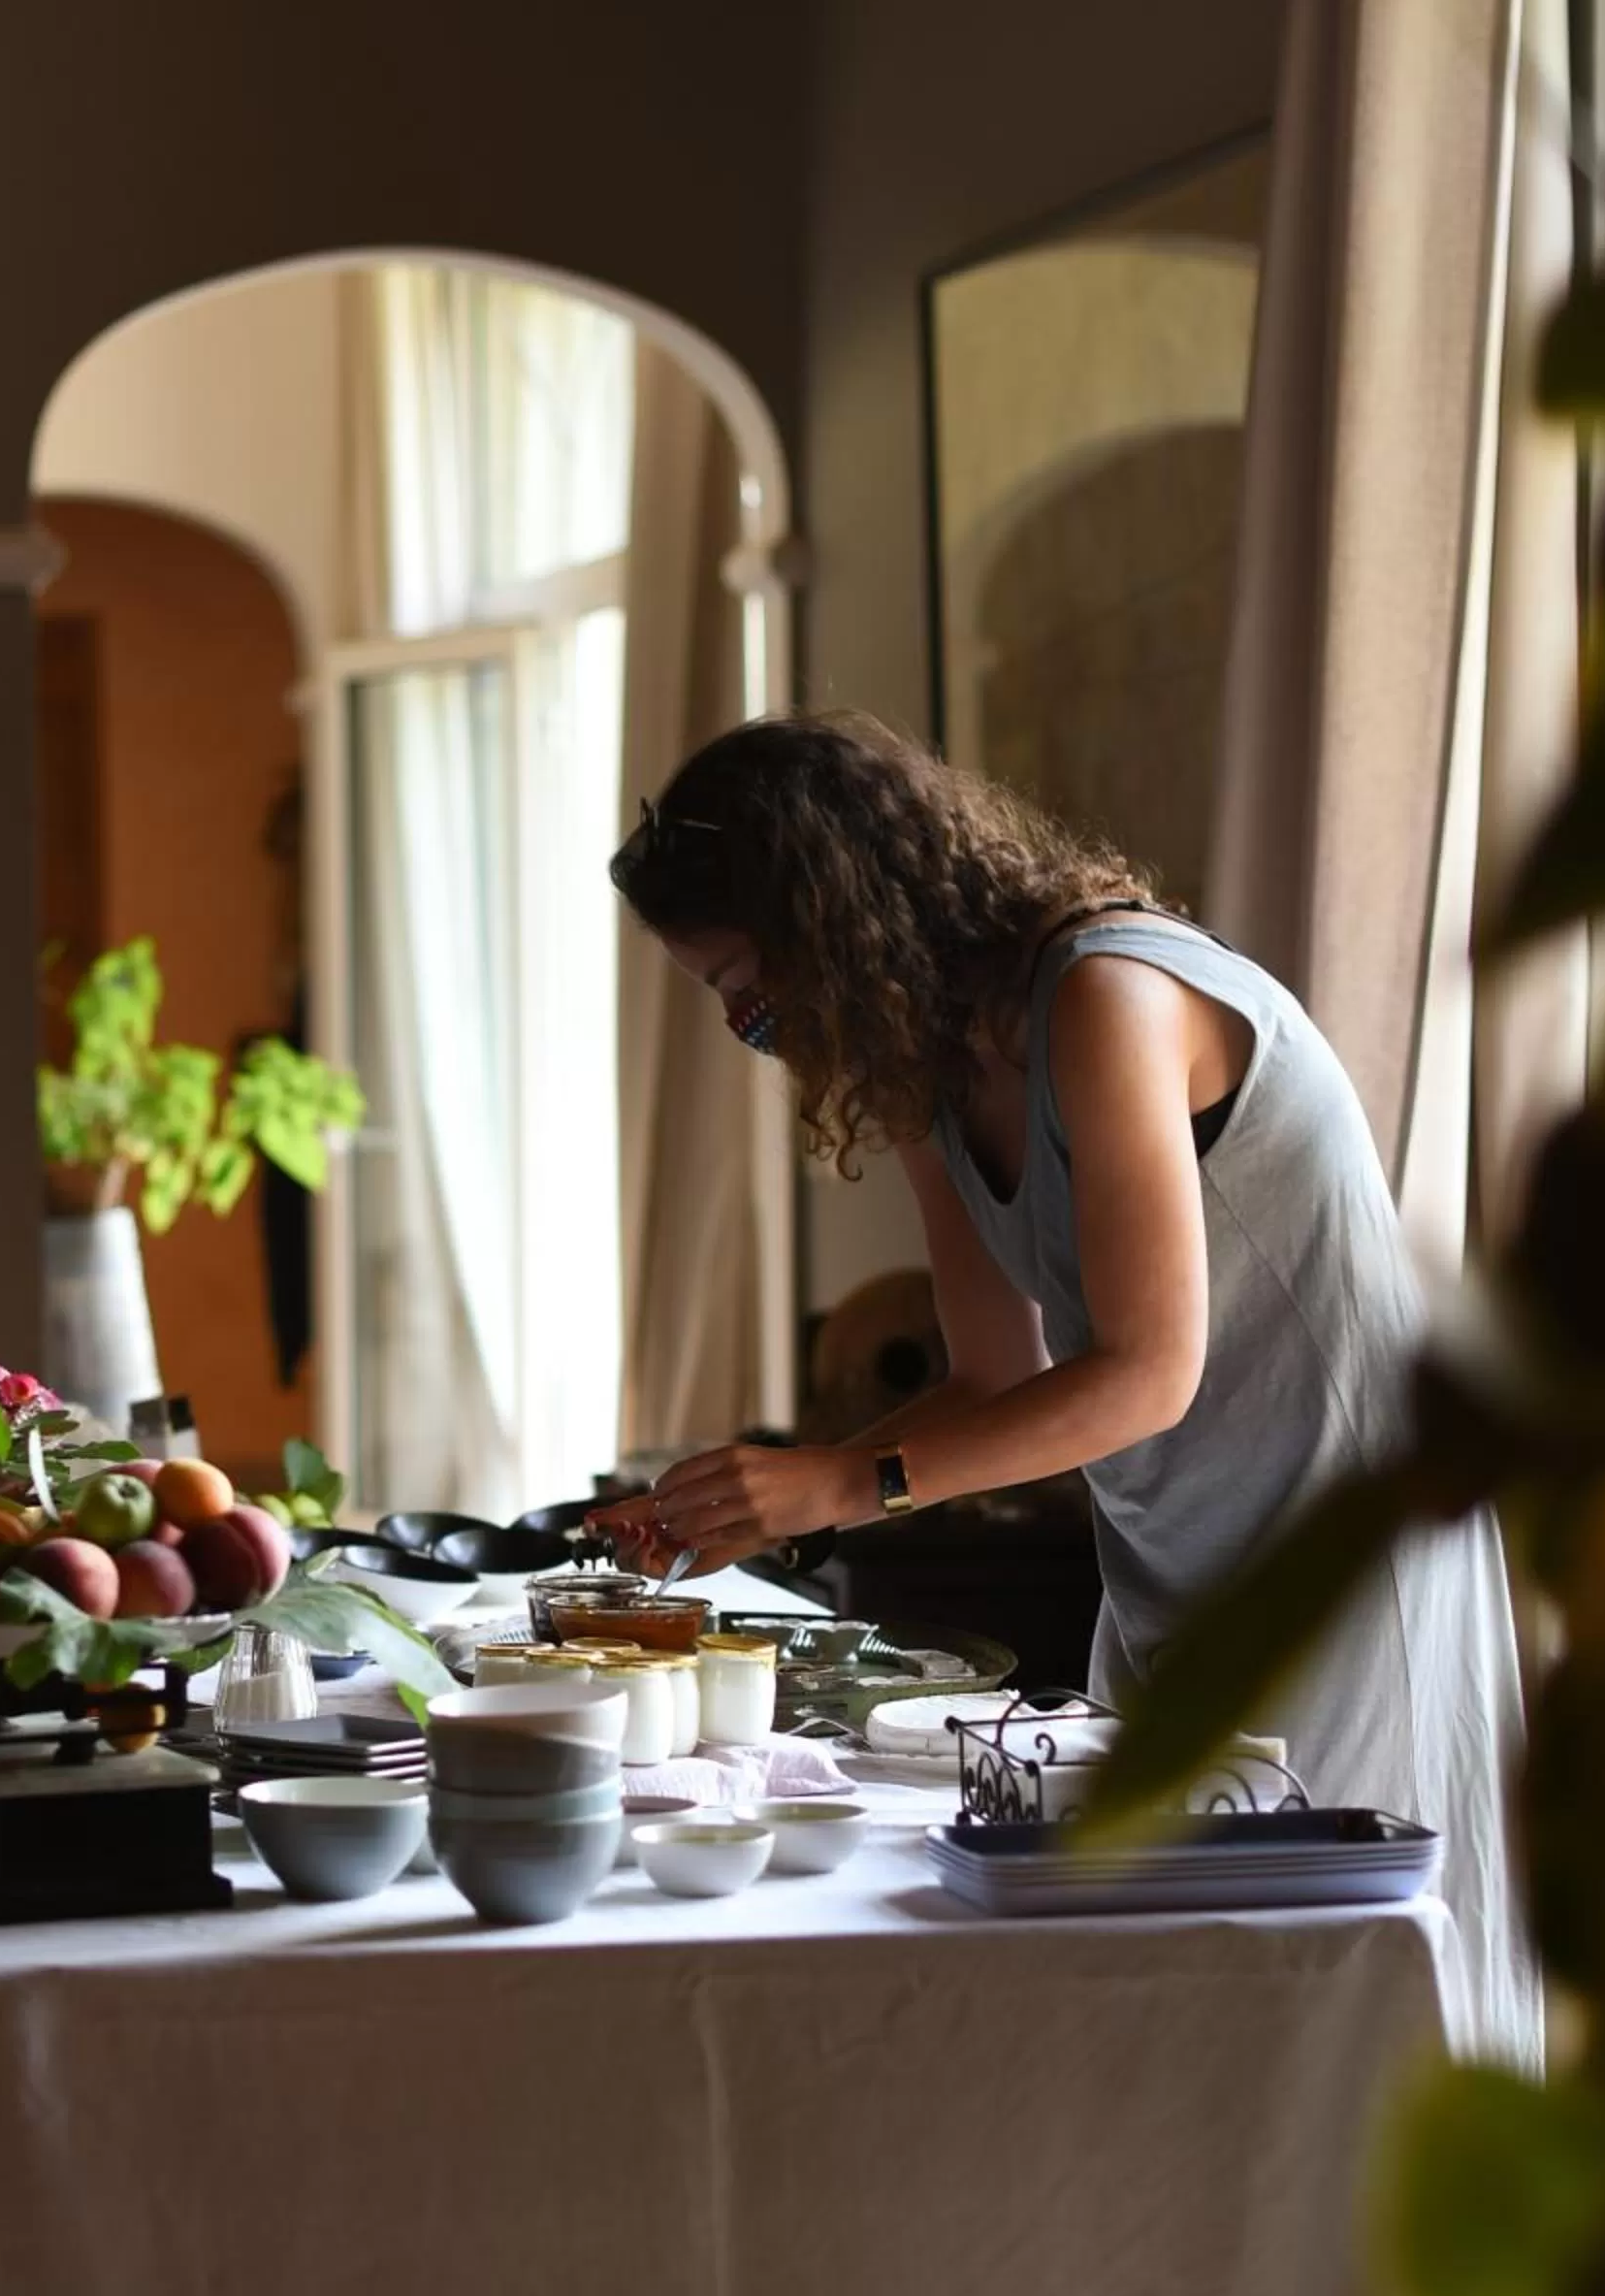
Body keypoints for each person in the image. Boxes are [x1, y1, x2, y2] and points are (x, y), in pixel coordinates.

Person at [589, 711, 1535, 2063]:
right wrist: (763, 1504)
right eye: (725, 1004)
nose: (753, 1026)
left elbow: (1145, 1374)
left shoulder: (1109, 997)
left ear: (839, 919)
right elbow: (994, 1378)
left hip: (1336, 1566)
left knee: (1336, 2013)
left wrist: (840, 1481)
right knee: (1194, 2012)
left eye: (749, 984)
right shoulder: (925, 1074)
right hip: (1169, 1569)